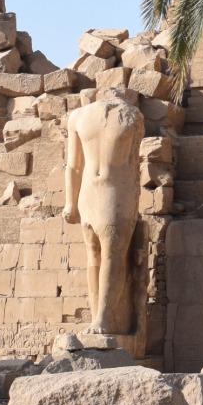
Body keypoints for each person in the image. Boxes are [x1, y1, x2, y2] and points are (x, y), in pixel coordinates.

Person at [63, 92, 143, 335]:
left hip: (117, 190)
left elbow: (133, 164)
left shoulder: (131, 116)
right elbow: (74, 165)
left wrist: (133, 199)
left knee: (113, 253)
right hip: (89, 191)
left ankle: (105, 318)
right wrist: (70, 202)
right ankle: (97, 314)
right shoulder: (77, 117)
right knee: (93, 256)